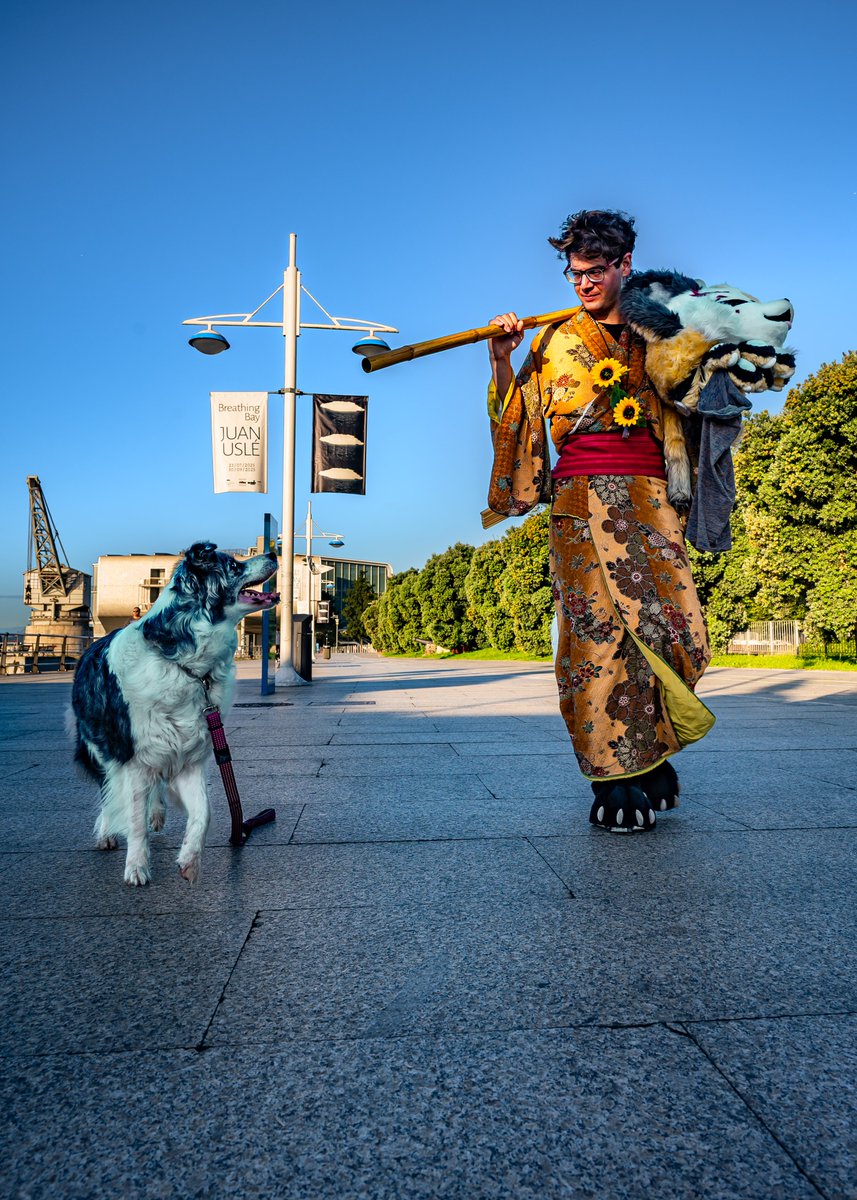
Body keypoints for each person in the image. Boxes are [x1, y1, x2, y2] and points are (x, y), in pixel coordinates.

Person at [486, 209, 714, 834]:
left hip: (652, 497)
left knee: (674, 627)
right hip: (579, 502)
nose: (582, 283)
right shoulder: (552, 339)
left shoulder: (660, 330)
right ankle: (610, 774)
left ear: (624, 266)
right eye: (573, 272)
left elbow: (700, 401)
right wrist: (503, 359)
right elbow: (518, 419)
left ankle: (650, 753)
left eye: (594, 271)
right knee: (595, 636)